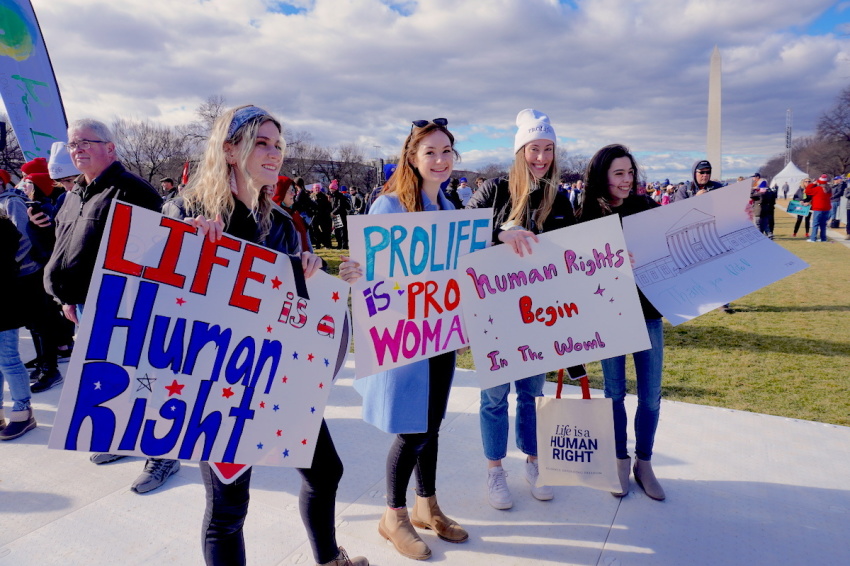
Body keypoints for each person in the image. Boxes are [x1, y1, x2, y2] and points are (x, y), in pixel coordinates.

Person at [163, 105, 367, 566]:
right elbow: (150, 288)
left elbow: (295, 305)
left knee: (325, 471)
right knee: (229, 510)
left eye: (278, 145)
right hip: (217, 386)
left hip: (277, 379)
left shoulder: (278, 223)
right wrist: (183, 244)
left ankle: (329, 559)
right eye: (262, 142)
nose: (274, 153)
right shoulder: (188, 209)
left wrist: (316, 275)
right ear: (230, 149)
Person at [341, 118, 468, 561]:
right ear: (412, 157)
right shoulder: (389, 208)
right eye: (430, 152)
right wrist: (355, 270)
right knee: (412, 428)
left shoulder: (452, 210)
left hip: (441, 334)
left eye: (447, 151)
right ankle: (392, 515)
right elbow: (367, 267)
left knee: (431, 426)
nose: (440, 160)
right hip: (405, 335)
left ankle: (426, 505)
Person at [43, 118, 179, 493]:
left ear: (110, 148)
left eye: (86, 141)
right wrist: (64, 297)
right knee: (108, 379)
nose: (77, 149)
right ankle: (122, 438)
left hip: (123, 307)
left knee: (143, 381)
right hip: (82, 305)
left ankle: (164, 454)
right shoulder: (74, 194)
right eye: (72, 144)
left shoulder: (134, 192)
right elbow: (63, 250)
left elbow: (151, 258)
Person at [466, 109, 584, 510]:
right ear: (520, 151)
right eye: (534, 148)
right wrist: (500, 232)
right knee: (495, 397)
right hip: (495, 315)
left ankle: (534, 462)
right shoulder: (494, 191)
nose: (542, 157)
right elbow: (462, 237)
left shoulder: (561, 198)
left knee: (532, 394)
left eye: (548, 149)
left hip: (540, 316)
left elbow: (573, 255)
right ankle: (495, 470)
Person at [577, 144, 666, 501]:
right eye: (619, 174)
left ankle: (643, 462)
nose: (627, 180)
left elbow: (675, 232)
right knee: (614, 393)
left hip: (647, 313)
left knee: (651, 396)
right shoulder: (587, 214)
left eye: (631, 173)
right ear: (603, 176)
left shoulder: (645, 207)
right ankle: (618, 458)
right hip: (608, 315)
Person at [0, 209, 37, 440]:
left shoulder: (3, 227)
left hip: (3, 302)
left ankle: (23, 410)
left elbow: (21, 247)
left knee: (8, 359)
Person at [805, 174, 832, 242]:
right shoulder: (829, 189)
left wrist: (813, 184)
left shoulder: (817, 189)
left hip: (818, 208)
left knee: (815, 224)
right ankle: (823, 238)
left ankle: (813, 238)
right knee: (823, 224)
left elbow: (807, 191)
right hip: (826, 209)